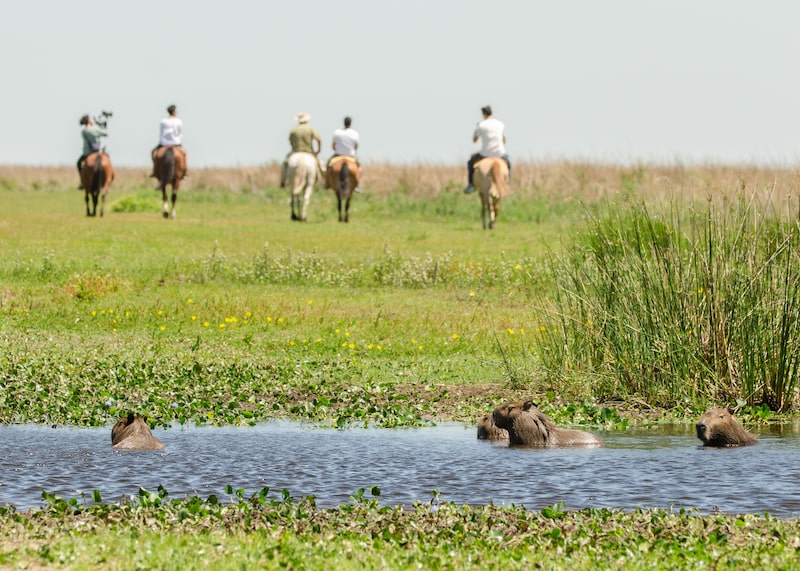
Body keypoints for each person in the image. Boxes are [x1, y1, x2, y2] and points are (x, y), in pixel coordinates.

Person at [463, 105, 511, 194]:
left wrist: (476, 129)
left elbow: (474, 140)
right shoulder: (500, 124)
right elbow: (504, 141)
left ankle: (471, 185)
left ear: (483, 114)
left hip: (485, 153)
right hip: (500, 153)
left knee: (470, 163)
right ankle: (508, 184)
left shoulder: (481, 125)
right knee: (509, 164)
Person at [280, 112, 321, 188]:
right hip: (308, 152)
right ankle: (322, 181)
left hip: (295, 152)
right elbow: (318, 139)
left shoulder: (293, 130)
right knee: (321, 165)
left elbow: (290, 142)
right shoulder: (310, 128)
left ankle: (283, 181)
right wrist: (318, 150)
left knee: (284, 164)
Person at [151, 105, 187, 178]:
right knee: (185, 154)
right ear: (174, 112)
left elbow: (161, 133)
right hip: (176, 143)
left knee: (153, 153)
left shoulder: (163, 121)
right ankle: (184, 171)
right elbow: (179, 133)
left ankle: (155, 171)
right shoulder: (178, 121)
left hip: (164, 143)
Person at [327, 116, 362, 191]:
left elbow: (333, 145)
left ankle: (326, 182)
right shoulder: (354, 133)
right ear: (351, 124)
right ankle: (357, 184)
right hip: (350, 156)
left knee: (328, 165)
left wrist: (336, 149)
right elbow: (356, 146)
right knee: (359, 167)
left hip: (338, 155)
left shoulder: (337, 132)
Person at [76, 114, 108, 190]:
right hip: (97, 151)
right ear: (88, 121)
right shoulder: (95, 128)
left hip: (87, 153)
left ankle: (82, 181)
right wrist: (101, 125)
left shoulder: (84, 131)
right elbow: (105, 133)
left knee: (78, 163)